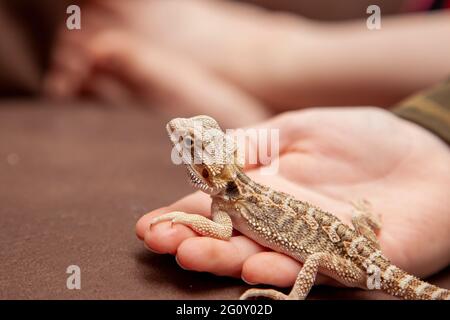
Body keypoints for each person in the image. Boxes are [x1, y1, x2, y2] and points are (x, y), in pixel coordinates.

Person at [43, 0, 449, 295]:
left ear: (207, 171)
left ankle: (254, 62)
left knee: (313, 258)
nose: (178, 135)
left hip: (361, 266)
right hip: (364, 240)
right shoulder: (232, 195)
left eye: (190, 141)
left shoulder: (226, 207)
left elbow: (220, 231)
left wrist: (189, 220)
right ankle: (253, 74)